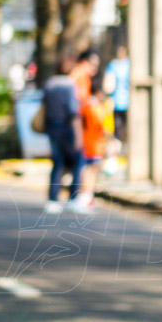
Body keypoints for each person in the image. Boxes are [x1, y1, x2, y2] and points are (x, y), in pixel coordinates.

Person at [42, 60, 88, 214]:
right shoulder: (69, 84)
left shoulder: (49, 84)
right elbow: (73, 111)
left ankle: (52, 198)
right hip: (67, 127)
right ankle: (73, 198)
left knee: (57, 162)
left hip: (51, 126)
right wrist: (78, 135)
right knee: (77, 161)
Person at [77, 82, 112, 212]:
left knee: (88, 170)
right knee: (91, 171)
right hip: (94, 144)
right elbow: (103, 125)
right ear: (98, 93)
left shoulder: (86, 105)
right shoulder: (95, 107)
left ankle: (86, 197)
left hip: (87, 142)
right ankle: (85, 198)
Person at [102, 46, 130, 146]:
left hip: (117, 102)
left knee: (118, 129)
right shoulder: (130, 65)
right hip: (128, 102)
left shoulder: (113, 66)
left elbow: (108, 87)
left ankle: (119, 147)